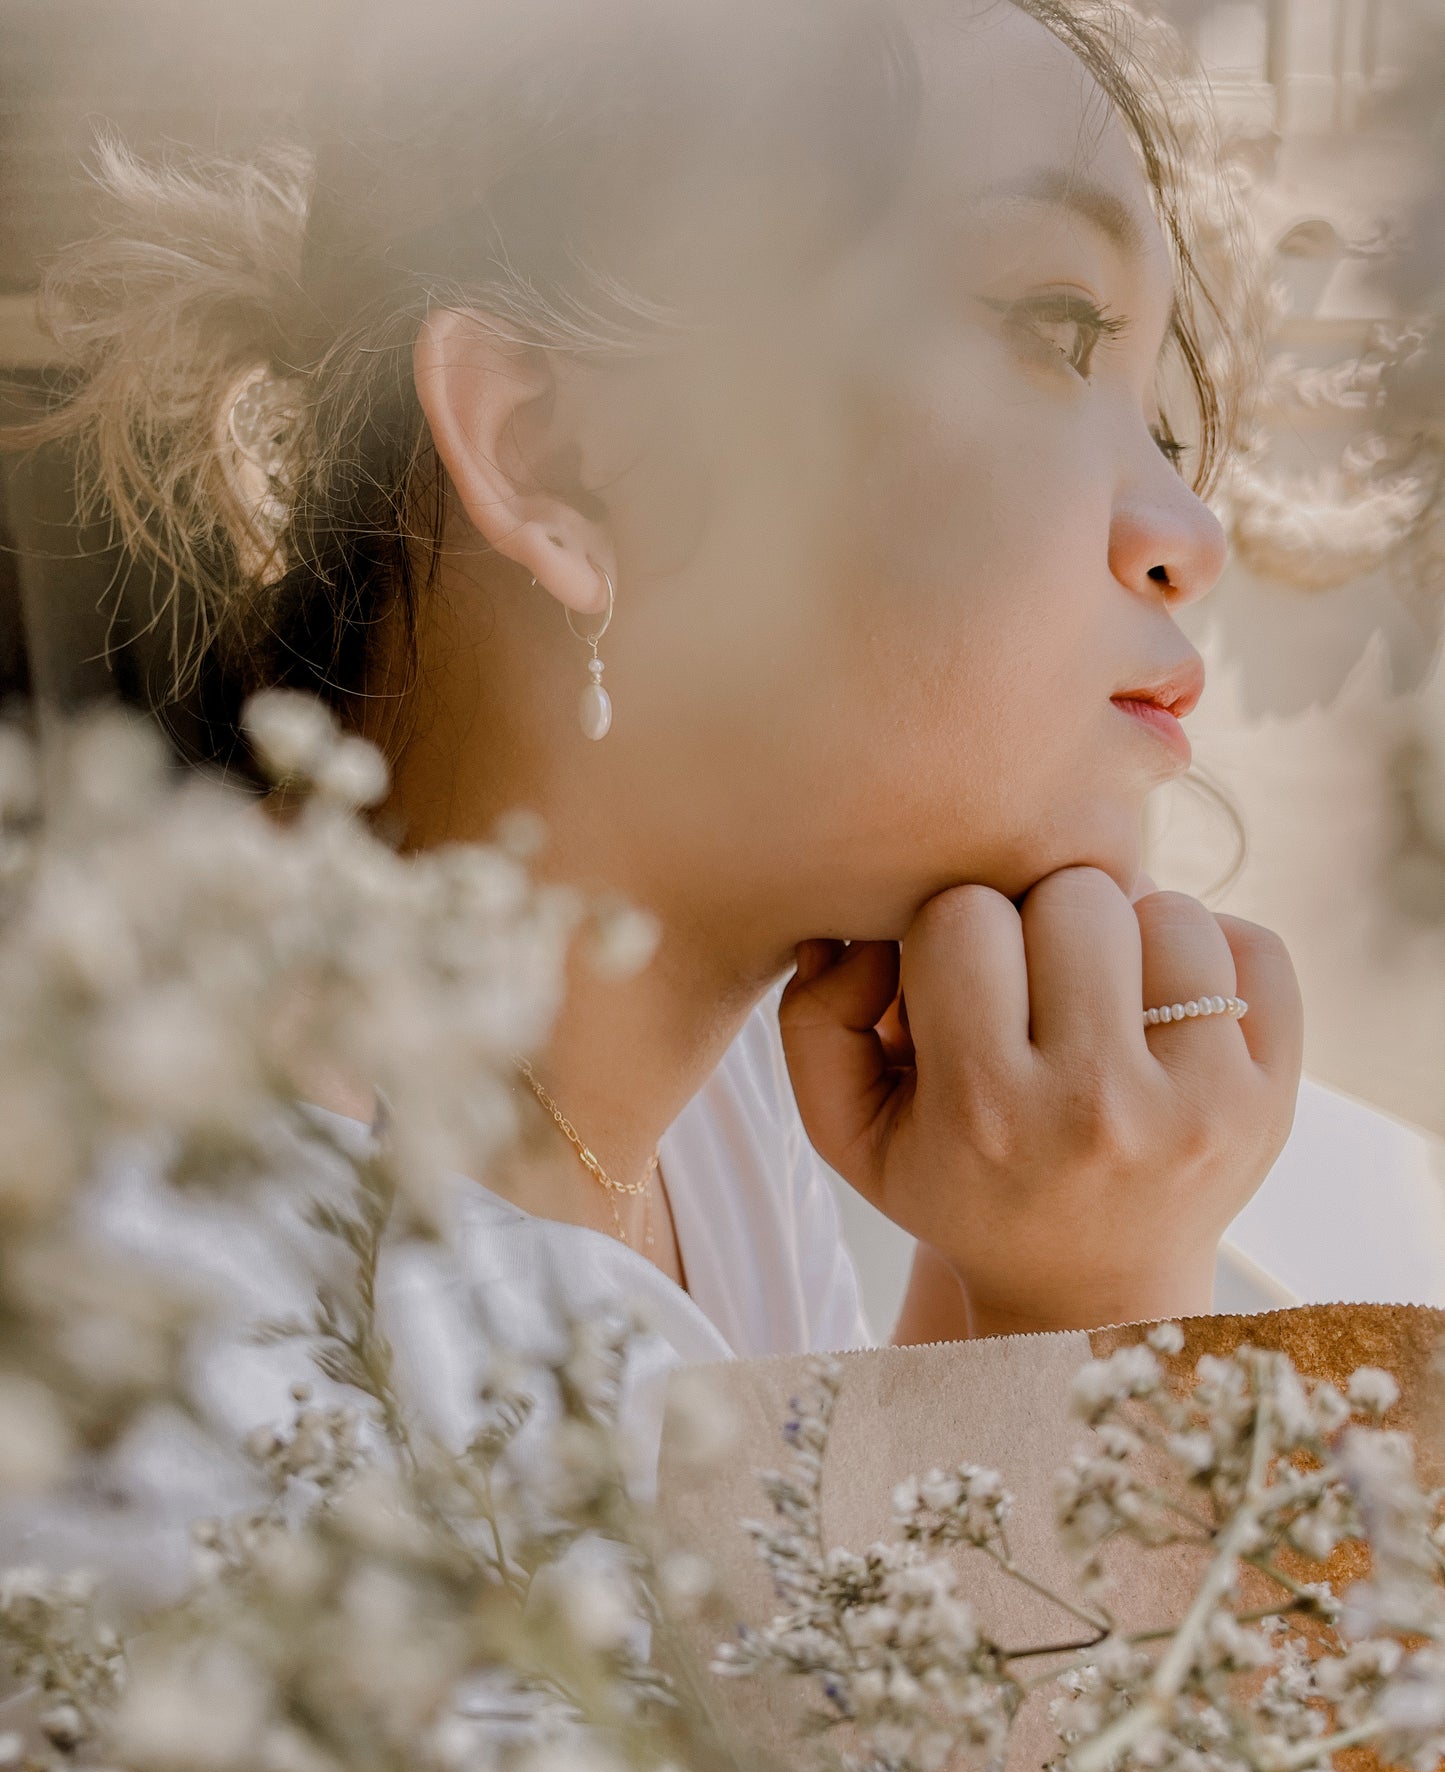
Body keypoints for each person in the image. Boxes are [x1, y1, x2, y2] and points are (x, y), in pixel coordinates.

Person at [10, 0, 1304, 1475]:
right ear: (557, 459)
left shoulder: (711, 1101)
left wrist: (1021, 1246)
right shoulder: (181, 1336)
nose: (1187, 537)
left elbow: (814, 1671)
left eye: (1160, 423)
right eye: (1051, 330)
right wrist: (1099, 1316)